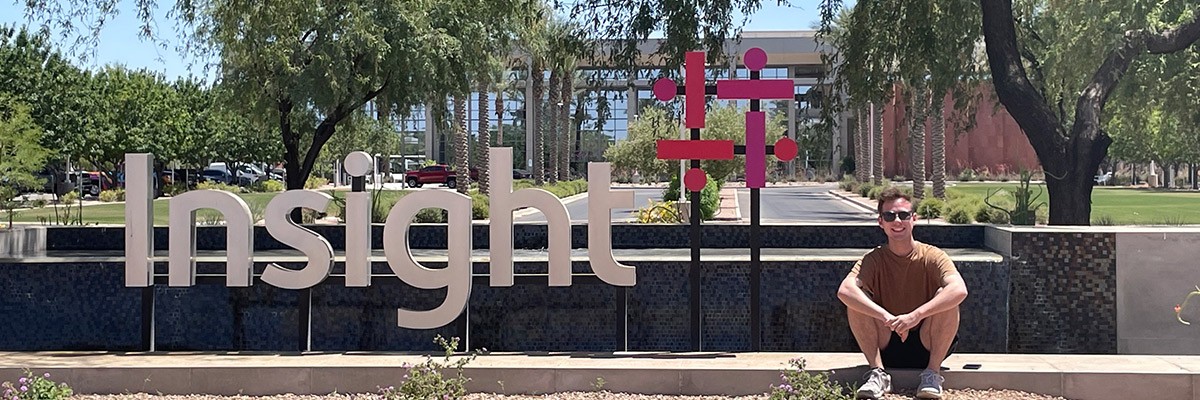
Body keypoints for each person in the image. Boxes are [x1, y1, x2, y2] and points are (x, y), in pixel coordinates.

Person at [837, 187, 968, 399]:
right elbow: (845, 290)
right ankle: (877, 373)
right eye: (889, 216)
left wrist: (914, 316)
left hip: (927, 344)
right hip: (886, 342)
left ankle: (932, 374)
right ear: (881, 222)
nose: (897, 221)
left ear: (913, 219)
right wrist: (887, 317)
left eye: (903, 215)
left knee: (948, 296)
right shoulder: (873, 259)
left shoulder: (932, 256)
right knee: (856, 299)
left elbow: (959, 289)